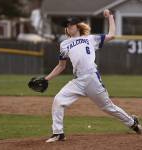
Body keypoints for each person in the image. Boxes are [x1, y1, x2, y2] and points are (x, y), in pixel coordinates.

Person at [44, 9, 142, 143]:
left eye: (70, 24)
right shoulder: (64, 44)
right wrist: (46, 79)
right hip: (77, 81)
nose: (68, 27)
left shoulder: (90, 38)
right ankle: (58, 133)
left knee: (108, 107)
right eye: (66, 25)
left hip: (92, 78)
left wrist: (110, 17)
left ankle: (133, 123)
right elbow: (61, 66)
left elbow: (112, 35)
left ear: (77, 26)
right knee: (58, 100)